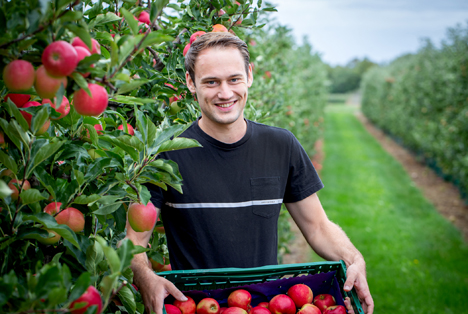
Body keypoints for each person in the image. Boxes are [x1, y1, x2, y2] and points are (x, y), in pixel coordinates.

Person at [126, 32, 374, 314]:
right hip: (193, 307)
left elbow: (317, 227)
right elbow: (133, 243)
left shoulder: (281, 146)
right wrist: (145, 276)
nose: (225, 93)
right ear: (190, 83)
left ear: (249, 76)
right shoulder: (163, 157)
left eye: (234, 79)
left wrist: (354, 259)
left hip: (265, 306)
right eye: (211, 82)